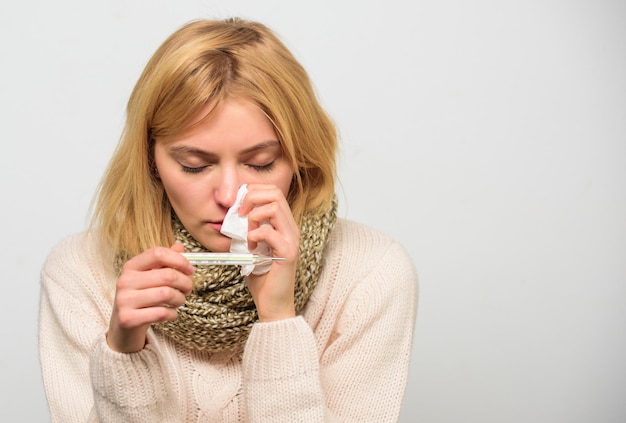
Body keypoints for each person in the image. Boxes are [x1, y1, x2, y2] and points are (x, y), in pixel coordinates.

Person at [38, 17, 418, 422]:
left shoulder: (371, 275)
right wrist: (123, 353)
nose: (228, 197)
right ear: (151, 160)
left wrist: (278, 319)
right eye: (194, 165)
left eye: (261, 163)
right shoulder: (79, 274)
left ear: (301, 157)